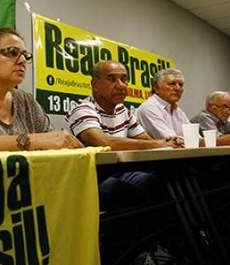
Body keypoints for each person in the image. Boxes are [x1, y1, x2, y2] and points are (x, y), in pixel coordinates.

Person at [66, 61, 182, 210]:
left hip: (120, 172)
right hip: (91, 178)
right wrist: (159, 143)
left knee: (170, 181)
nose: (121, 85)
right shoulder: (82, 109)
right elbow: (102, 142)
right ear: (95, 85)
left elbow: (146, 140)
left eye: (124, 79)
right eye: (112, 79)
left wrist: (167, 142)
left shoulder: (124, 111)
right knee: (130, 193)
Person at [136, 68, 190, 139]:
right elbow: (172, 141)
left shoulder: (177, 110)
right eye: (172, 84)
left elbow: (194, 136)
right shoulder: (149, 107)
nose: (178, 88)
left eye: (181, 85)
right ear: (156, 88)